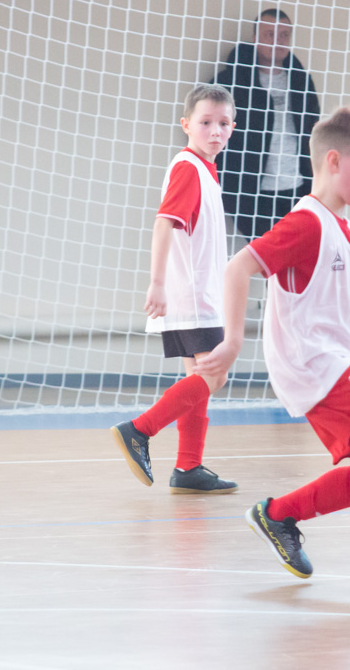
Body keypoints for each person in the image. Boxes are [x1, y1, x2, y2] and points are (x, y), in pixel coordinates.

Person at [194, 108, 350, 589]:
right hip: (313, 365)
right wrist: (233, 341)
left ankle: (278, 515)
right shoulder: (307, 222)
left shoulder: (344, 232)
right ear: (333, 160)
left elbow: (316, 307)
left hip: (328, 361)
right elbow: (237, 268)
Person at [110, 84, 239, 494]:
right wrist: (158, 283)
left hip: (195, 296)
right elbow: (163, 223)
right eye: (205, 122)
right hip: (194, 297)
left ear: (233, 127)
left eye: (223, 123)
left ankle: (188, 467)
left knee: (198, 380)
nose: (215, 131)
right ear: (186, 124)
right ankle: (139, 429)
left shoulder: (205, 170)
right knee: (214, 376)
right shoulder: (188, 167)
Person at [210, 8, 322, 240]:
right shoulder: (231, 82)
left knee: (298, 254)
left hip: (299, 187)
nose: (277, 41)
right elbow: (208, 131)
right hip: (250, 193)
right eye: (270, 34)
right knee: (264, 256)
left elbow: (314, 130)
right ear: (255, 38)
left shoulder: (301, 81)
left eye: (284, 35)